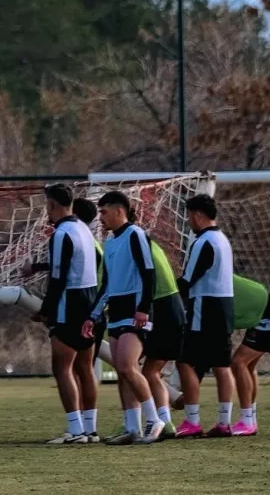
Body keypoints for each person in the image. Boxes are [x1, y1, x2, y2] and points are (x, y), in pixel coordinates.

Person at [83, 191, 164, 445]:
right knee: (122, 370)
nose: (101, 218)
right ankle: (132, 428)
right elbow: (107, 285)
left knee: (128, 366)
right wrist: (92, 316)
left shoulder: (135, 235)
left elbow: (148, 273)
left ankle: (155, 420)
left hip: (134, 312)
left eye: (104, 212)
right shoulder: (109, 243)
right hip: (116, 313)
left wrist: (144, 308)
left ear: (119, 211)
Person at [22, 184, 98, 444]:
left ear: (52, 205)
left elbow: (59, 278)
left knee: (62, 368)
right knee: (85, 368)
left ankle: (76, 431)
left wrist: (45, 311)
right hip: (89, 302)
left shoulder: (62, 233)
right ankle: (90, 429)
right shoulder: (85, 230)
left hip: (70, 306)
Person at [175, 193, 236, 438]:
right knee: (222, 365)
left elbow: (188, 280)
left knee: (185, 361)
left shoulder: (203, 243)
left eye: (189, 215)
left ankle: (192, 421)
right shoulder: (222, 239)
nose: (188, 220)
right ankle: (224, 422)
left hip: (205, 308)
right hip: (224, 306)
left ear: (198, 215)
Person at [228, 274, 270, 436]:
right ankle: (250, 419)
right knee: (247, 365)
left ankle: (247, 421)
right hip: (266, 315)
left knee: (238, 362)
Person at [71, 197, 104, 441]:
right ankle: (87, 427)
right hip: (95, 309)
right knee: (82, 367)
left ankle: (81, 426)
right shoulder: (90, 241)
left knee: (78, 367)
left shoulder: (84, 242)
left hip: (90, 310)